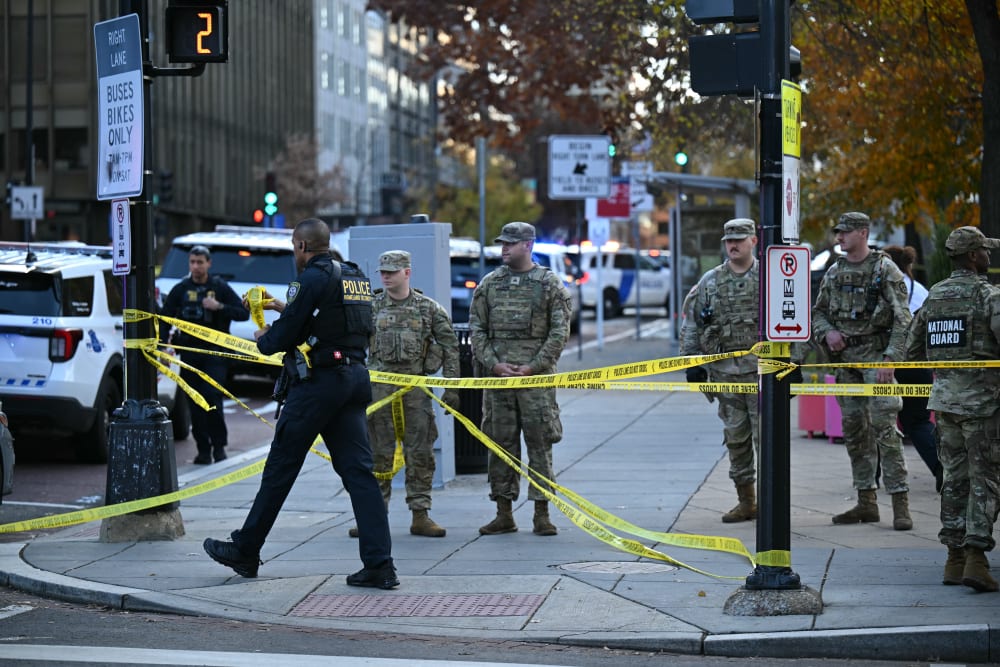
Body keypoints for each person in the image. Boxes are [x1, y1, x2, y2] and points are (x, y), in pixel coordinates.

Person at [203, 219, 398, 589]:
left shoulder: (310, 277)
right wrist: (282, 307)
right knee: (360, 474)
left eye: (295, 248)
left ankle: (246, 549)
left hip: (319, 385)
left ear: (302, 246)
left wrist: (264, 336)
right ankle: (380, 565)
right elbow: (333, 321)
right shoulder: (354, 275)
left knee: (280, 467)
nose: (296, 254)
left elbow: (282, 337)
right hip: (354, 378)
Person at [905, 226, 1000, 592]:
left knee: (954, 480)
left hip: (944, 406)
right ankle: (976, 558)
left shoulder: (934, 298)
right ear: (974, 257)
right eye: (985, 252)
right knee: (985, 480)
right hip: (984, 407)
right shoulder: (989, 296)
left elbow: (912, 350)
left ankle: (953, 559)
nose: (989, 257)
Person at [470, 222, 572, 536]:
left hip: (536, 383)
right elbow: (477, 330)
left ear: (527, 245)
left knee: (540, 445)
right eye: (502, 243)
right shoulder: (489, 284)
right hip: (499, 381)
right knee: (501, 445)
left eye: (510, 244)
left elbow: (559, 332)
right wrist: (494, 364)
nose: (504, 249)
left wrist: (535, 366)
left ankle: (542, 513)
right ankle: (504, 511)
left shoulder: (550, 284)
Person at [812, 212, 913, 530]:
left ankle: (900, 503)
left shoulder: (885, 269)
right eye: (837, 232)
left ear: (863, 233)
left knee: (885, 430)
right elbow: (818, 314)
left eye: (845, 232)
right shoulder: (834, 272)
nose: (839, 237)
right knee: (854, 432)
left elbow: (903, 318)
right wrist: (827, 332)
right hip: (846, 365)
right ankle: (866, 501)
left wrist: (890, 360)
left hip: (876, 362)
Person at [351, 249, 460, 538]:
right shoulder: (371, 308)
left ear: (407, 273)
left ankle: (420, 515)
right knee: (377, 455)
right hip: (379, 394)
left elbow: (450, 345)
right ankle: (375, 516)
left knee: (420, 453)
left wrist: (452, 387)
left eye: (392, 272)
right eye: (383, 272)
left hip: (415, 392)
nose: (386, 276)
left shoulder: (428, 309)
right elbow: (350, 343)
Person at [681, 219, 762, 523]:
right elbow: (692, 322)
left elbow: (789, 322)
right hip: (725, 375)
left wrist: (792, 364)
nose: (733, 245)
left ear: (753, 240)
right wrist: (691, 364)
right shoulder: (710, 281)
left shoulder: (767, 279)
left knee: (766, 442)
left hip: (761, 375)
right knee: (736, 439)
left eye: (740, 239)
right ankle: (747, 501)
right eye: (729, 240)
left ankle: (769, 502)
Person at [160, 245, 249, 464]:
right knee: (194, 402)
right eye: (192, 262)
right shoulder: (181, 289)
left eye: (200, 262)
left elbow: (243, 313)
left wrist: (219, 306)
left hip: (215, 354)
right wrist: (162, 346)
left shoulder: (219, 287)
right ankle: (203, 449)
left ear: (209, 263)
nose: (196, 266)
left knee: (212, 397)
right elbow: (164, 318)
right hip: (190, 353)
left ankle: (219, 447)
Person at [883, 244, 942, 491]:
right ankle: (942, 469)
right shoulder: (921, 291)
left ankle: (872, 481)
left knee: (880, 422)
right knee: (917, 421)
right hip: (920, 364)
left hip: (892, 362)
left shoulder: (889, 288)